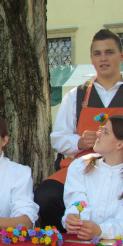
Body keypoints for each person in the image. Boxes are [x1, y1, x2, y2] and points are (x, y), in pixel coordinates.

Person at [35, 29, 123, 232]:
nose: (103, 58)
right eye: (97, 53)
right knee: (46, 197)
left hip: (118, 168)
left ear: (121, 55)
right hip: (81, 168)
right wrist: (80, 143)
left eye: (109, 52)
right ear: (91, 58)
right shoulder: (77, 95)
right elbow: (58, 139)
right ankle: (65, 245)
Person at [63, 115, 123, 240]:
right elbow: (76, 201)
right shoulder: (80, 166)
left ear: (119, 145)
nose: (98, 134)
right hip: (82, 245)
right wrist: (73, 218)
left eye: (105, 132)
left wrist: (101, 231)